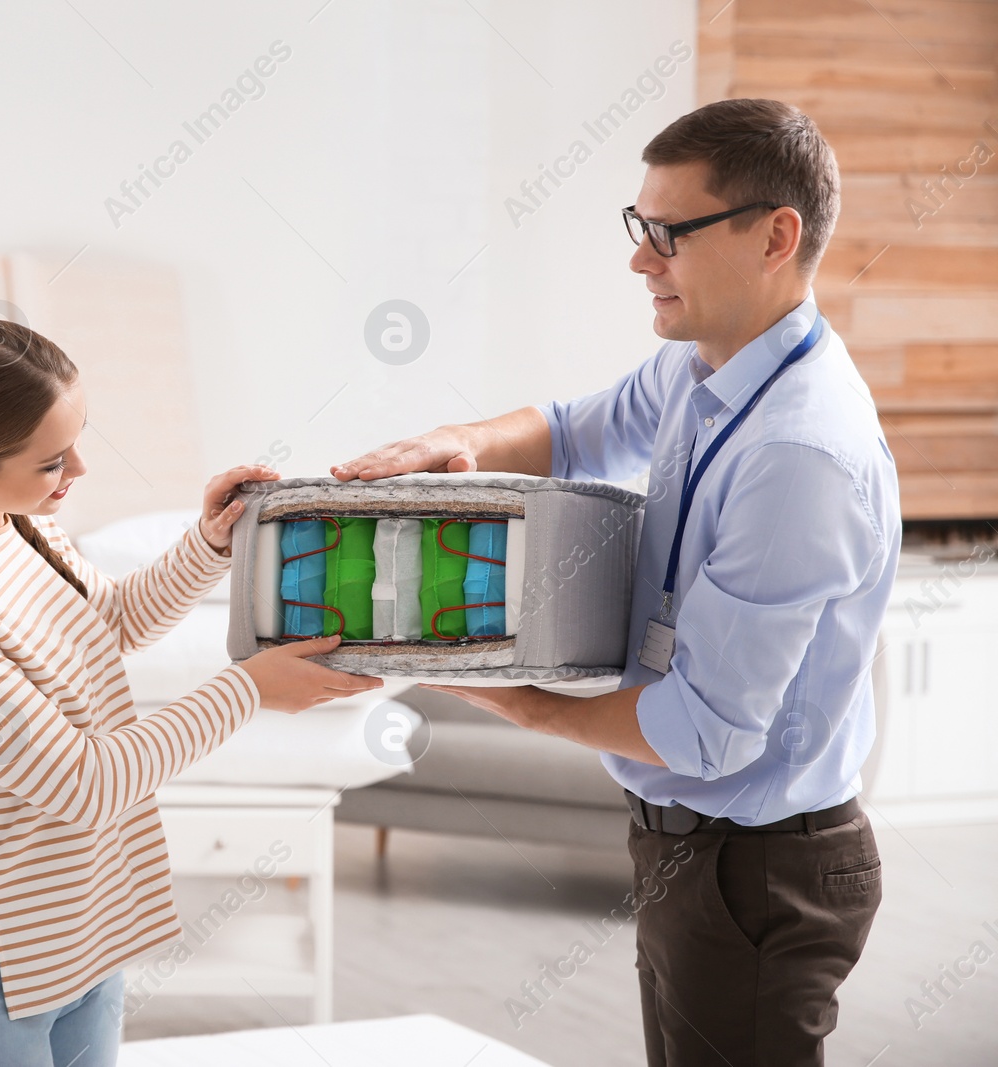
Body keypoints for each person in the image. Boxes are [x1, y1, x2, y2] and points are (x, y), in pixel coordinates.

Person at [333, 98, 897, 1066]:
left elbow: (707, 731)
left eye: (668, 233)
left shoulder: (797, 452)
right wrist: (454, 444)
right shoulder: (703, 368)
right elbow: (576, 426)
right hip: (693, 847)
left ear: (775, 235)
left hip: (758, 864)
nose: (641, 259)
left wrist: (523, 701)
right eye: (640, 229)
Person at [0, 317, 379, 1067]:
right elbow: (82, 781)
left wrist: (210, 543)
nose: (80, 470)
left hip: (78, 928)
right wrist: (249, 690)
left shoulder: (13, 521)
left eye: (77, 438)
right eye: (53, 460)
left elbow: (109, 622)